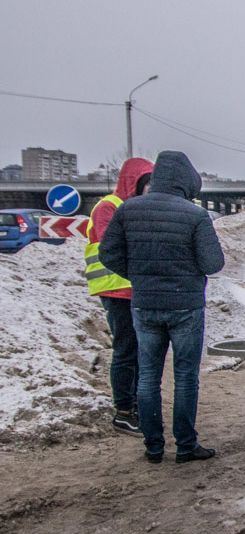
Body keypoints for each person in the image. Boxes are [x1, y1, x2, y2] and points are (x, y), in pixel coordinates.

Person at [99, 150, 225, 464]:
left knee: (147, 377)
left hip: (144, 306)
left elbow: (107, 253)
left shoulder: (129, 210)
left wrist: (140, 276)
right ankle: (185, 446)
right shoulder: (195, 215)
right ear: (186, 181)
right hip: (185, 307)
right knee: (184, 377)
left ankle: (153, 447)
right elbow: (213, 263)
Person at [86, 157, 154, 436]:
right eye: (146, 183)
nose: (149, 189)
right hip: (115, 289)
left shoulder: (135, 208)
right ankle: (124, 411)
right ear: (133, 182)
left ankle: (136, 404)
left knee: (137, 350)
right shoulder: (108, 207)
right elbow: (111, 247)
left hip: (133, 288)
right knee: (126, 350)